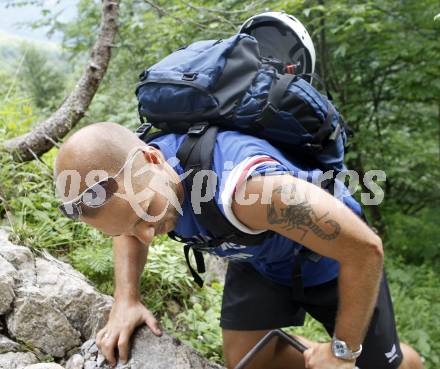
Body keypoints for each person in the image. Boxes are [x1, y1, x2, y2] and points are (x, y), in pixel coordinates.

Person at [54, 122, 424, 369]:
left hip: (330, 260)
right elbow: (127, 228)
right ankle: (317, 353)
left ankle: (400, 360)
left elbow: (364, 249)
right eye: (131, 229)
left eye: (148, 214)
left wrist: (344, 352)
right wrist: (126, 300)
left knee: (376, 366)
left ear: (153, 159)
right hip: (257, 255)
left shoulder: (250, 191)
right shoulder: (137, 181)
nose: (149, 235)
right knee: (247, 361)